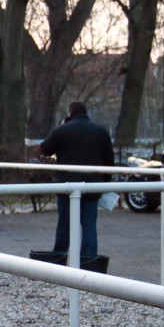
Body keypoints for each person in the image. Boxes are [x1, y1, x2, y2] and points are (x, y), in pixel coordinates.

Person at [40, 101, 114, 258]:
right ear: (86, 113)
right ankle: (89, 260)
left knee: (65, 224)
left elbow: (45, 149)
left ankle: (59, 257)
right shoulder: (101, 132)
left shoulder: (62, 130)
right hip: (91, 185)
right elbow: (109, 161)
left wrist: (63, 125)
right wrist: (105, 184)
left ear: (69, 113)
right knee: (89, 225)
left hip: (66, 185)